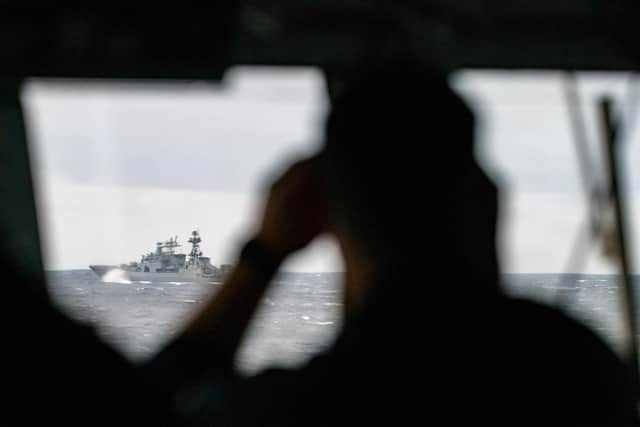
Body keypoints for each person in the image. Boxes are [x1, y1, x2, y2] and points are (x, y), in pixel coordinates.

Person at [148, 60, 639, 426]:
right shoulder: (577, 372)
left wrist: (263, 255)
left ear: (322, 216)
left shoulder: (284, 410)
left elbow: (147, 405)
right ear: (486, 201)